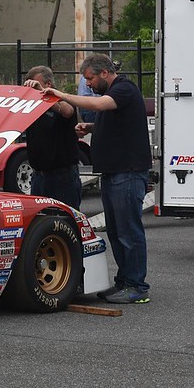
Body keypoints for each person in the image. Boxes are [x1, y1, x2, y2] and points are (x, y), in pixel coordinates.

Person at [42, 53, 151, 304]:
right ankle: (125, 282)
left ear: (104, 73)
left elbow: (100, 106)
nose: (87, 84)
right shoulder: (112, 95)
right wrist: (91, 128)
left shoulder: (123, 89)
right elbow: (114, 121)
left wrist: (60, 94)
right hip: (114, 174)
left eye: (89, 79)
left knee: (128, 232)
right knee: (116, 231)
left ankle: (137, 286)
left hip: (128, 173)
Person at [0, 66, 81, 210]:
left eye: (34, 85)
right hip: (38, 176)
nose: (31, 90)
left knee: (67, 220)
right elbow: (9, 103)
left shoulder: (62, 101)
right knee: (41, 222)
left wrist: (43, 93)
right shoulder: (32, 104)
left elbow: (67, 111)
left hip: (62, 176)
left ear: (48, 84)